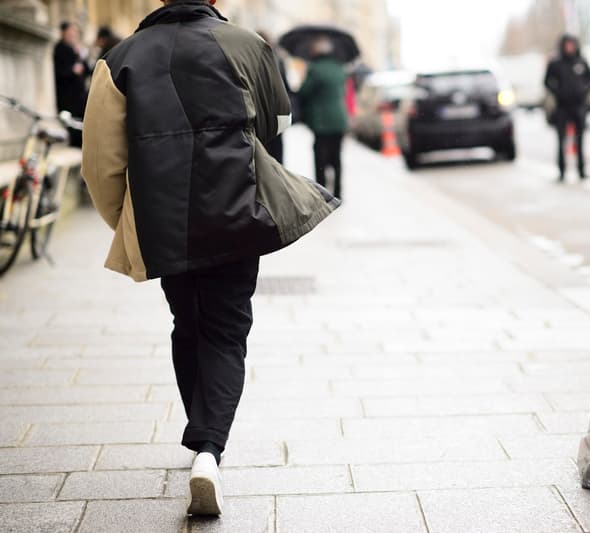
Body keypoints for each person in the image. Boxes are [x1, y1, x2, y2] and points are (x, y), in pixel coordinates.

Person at [81, 0, 339, 517]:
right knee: (226, 329)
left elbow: (100, 162)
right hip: (235, 207)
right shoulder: (249, 46)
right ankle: (208, 450)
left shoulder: (119, 59)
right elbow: (277, 124)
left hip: (163, 217)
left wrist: (126, 222)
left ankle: (201, 435)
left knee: (187, 323)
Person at [297, 37, 348, 199]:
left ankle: (323, 194)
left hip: (321, 121)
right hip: (339, 119)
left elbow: (304, 92)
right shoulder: (339, 68)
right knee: (337, 157)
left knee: (320, 157)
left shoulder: (316, 69)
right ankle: (338, 192)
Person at [544, 34, 590, 181]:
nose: (570, 47)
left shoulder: (581, 61)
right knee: (561, 141)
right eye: (567, 45)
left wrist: (583, 92)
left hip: (578, 106)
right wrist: (558, 92)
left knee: (580, 140)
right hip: (562, 107)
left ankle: (581, 170)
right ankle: (562, 171)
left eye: (572, 44)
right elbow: (547, 81)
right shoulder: (556, 63)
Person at [53, 21, 89, 147]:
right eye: (70, 33)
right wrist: (72, 71)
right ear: (63, 33)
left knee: (81, 123)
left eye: (75, 33)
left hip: (79, 96)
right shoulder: (59, 49)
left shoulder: (76, 50)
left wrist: (81, 55)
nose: (73, 36)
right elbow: (58, 73)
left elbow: (87, 70)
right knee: (72, 125)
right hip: (67, 96)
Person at [257, 31, 290, 163]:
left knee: (261, 150)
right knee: (276, 152)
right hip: (277, 113)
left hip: (259, 113)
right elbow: (285, 88)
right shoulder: (278, 60)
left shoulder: (252, 59)